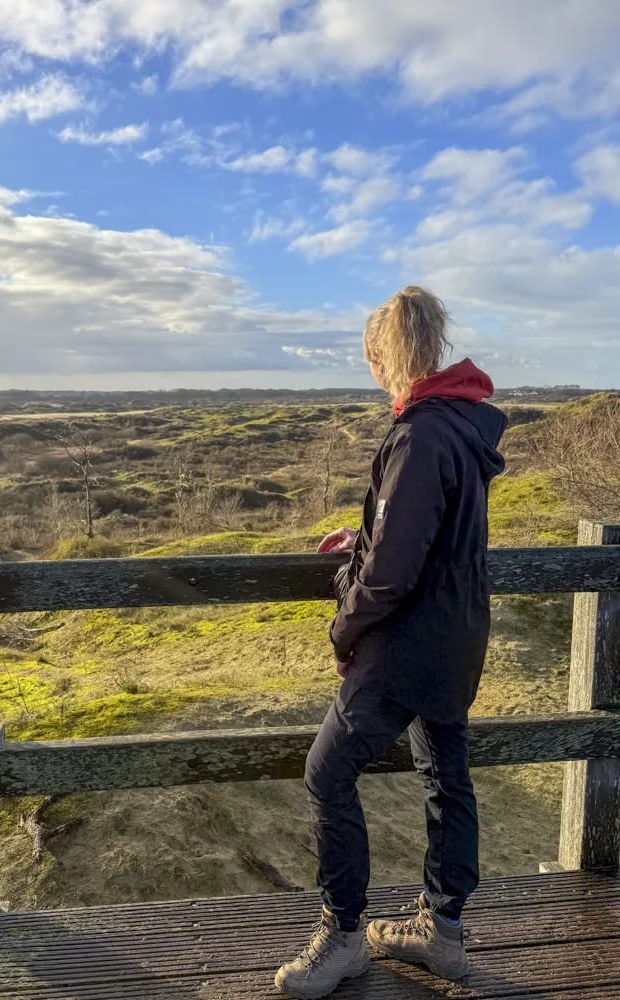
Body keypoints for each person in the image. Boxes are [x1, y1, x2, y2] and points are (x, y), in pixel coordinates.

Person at [275, 286, 507, 999]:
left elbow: (394, 573)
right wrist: (365, 536)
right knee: (445, 775)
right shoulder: (461, 428)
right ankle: (442, 931)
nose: (371, 370)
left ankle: (344, 935)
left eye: (372, 357)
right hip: (457, 636)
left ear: (389, 356)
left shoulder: (416, 435)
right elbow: (420, 536)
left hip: (405, 645)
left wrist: (344, 626)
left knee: (326, 772)